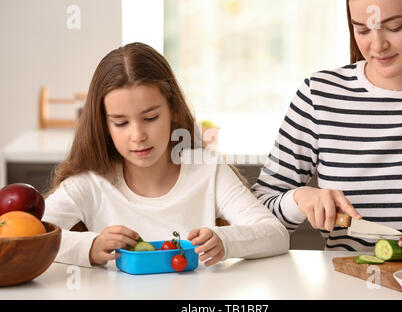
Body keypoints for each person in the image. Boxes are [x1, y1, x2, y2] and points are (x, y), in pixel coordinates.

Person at [43, 42, 289, 268]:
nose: (138, 135)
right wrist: (90, 248)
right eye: (120, 123)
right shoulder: (90, 182)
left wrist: (225, 240)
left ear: (172, 109)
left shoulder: (207, 169)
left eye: (150, 118)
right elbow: (24, 234)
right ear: (103, 125)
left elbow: (276, 235)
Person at [252, 0, 402, 261]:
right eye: (363, 30)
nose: (377, 46)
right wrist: (300, 199)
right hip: (347, 287)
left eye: (394, 27)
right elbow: (257, 216)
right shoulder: (319, 94)